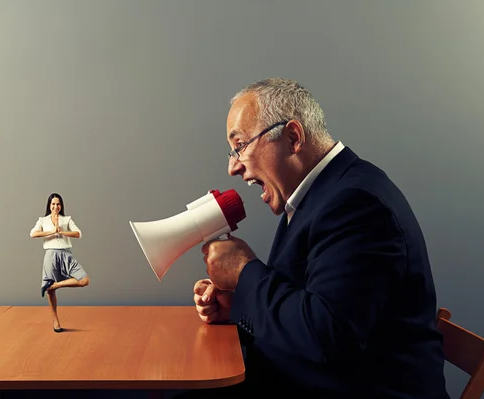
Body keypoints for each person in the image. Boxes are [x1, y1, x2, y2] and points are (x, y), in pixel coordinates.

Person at [188, 78, 450, 398]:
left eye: (240, 145)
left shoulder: (356, 204)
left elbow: (326, 337)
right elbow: (307, 305)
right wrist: (239, 304)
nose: (233, 167)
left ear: (293, 137)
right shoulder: (323, 194)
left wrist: (244, 273)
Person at [30, 192, 89, 332]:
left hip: (66, 254)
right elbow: (33, 233)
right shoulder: (43, 220)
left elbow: (78, 233)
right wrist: (52, 231)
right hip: (50, 254)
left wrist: (62, 232)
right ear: (49, 206)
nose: (56, 206)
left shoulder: (67, 219)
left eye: (58, 204)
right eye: (53, 204)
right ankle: (55, 321)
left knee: (84, 280)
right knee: (50, 293)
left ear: (61, 206)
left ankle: (55, 285)